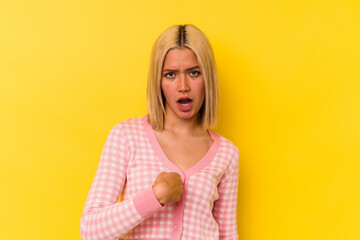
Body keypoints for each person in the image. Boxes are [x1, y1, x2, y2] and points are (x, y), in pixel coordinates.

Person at [80, 24, 239, 240]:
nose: (183, 86)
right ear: (158, 81)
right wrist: (155, 196)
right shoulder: (127, 136)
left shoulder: (226, 153)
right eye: (171, 74)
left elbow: (227, 235)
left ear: (207, 78)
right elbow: (90, 231)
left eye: (194, 73)